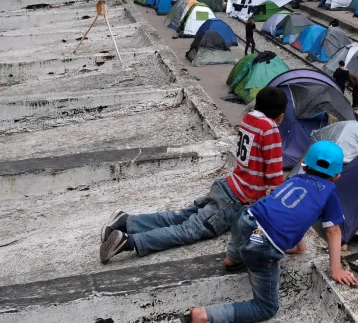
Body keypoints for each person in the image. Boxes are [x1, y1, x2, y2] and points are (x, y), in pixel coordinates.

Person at [99, 87, 288, 263]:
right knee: (187, 231)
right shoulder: (270, 129)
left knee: (179, 217)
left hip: (227, 185)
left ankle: (125, 221)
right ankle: (128, 241)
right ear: (280, 117)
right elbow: (274, 177)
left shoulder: (249, 119)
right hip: (236, 199)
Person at [181, 141, 357, 323]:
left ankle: (232, 258)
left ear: (304, 164)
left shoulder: (295, 179)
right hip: (263, 244)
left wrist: (299, 247)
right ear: (337, 176)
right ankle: (203, 316)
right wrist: (336, 270)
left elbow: (289, 213)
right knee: (265, 308)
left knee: (246, 227)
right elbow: (334, 231)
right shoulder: (329, 192)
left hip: (245, 218)